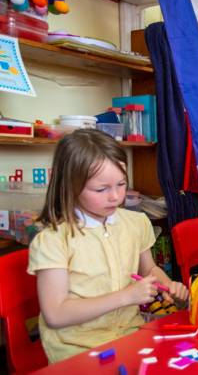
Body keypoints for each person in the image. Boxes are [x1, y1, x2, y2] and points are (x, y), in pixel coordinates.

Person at [28, 129, 189, 363]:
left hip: (130, 336)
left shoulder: (135, 223)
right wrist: (125, 297)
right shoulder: (53, 240)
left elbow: (149, 270)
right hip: (77, 349)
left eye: (121, 184)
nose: (115, 196)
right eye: (101, 189)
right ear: (71, 186)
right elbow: (55, 313)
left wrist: (169, 287)